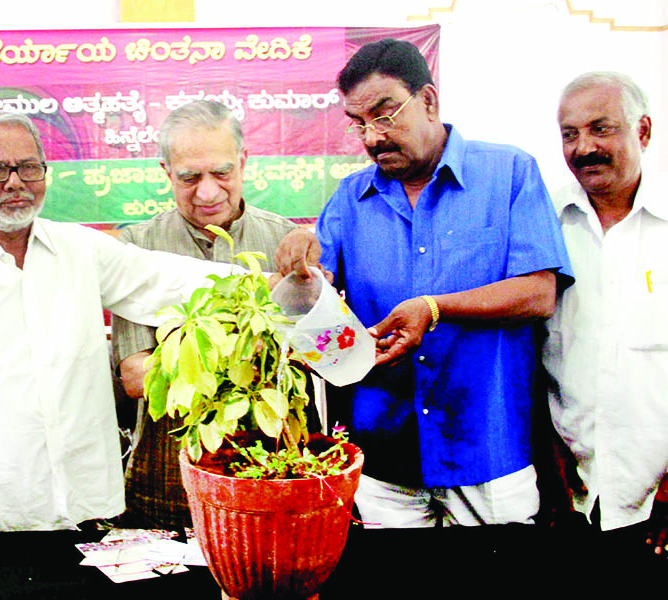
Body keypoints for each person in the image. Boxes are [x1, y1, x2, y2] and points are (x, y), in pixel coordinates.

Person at [0, 113, 239, 562]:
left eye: (29, 167)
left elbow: (165, 280)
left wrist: (268, 285)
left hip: (89, 511)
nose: (15, 182)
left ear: (45, 174)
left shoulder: (82, 249)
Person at [275, 38, 572, 528]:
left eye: (385, 115)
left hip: (487, 445)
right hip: (384, 451)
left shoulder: (508, 173)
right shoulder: (352, 198)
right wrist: (300, 265)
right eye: (358, 123)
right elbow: (314, 286)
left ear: (429, 100)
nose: (372, 136)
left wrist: (434, 309)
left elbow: (538, 293)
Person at [111, 100, 299, 529]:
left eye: (222, 173)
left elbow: (314, 354)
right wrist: (250, 357)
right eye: (189, 178)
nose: (208, 192)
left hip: (274, 477)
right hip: (166, 484)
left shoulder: (287, 242)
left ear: (244, 162)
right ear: (165, 173)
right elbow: (137, 376)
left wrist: (188, 360)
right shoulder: (134, 248)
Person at [543, 71, 668, 557]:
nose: (584, 147)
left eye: (601, 128)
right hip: (569, 502)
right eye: (569, 134)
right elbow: (532, 358)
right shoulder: (546, 228)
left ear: (643, 131)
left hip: (656, 505)